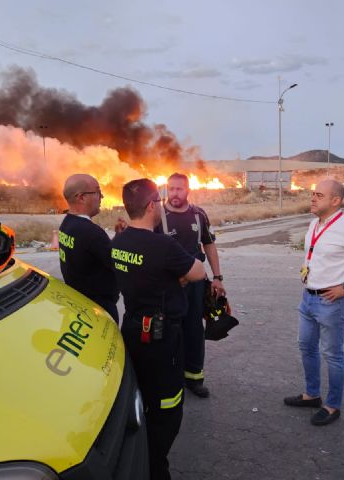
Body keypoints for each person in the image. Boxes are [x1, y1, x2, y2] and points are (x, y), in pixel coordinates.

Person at [112, 178, 205, 480]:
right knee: (167, 406)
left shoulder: (118, 242)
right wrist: (176, 275)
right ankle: (154, 464)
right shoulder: (163, 245)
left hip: (132, 330)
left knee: (141, 394)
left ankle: (138, 450)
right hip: (162, 338)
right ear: (152, 206)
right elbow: (198, 272)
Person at [284, 179, 344, 426]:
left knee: (332, 355)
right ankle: (311, 395)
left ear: (336, 200)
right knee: (306, 347)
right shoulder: (314, 224)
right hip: (308, 298)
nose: (312, 198)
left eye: (319, 195)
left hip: (331, 302)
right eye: (312, 193)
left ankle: (332, 406)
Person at [155, 172, 224, 398]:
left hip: (195, 285)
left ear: (188, 190)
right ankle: (171, 378)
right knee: (169, 331)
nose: (174, 193)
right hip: (169, 285)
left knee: (194, 329)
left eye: (179, 189)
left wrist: (217, 277)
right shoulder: (157, 215)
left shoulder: (198, 215)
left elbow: (209, 245)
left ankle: (194, 377)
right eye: (171, 189)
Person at [58, 174, 119, 322]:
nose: (102, 196)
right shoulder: (91, 233)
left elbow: (95, 254)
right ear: (81, 197)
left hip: (80, 307)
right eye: (97, 192)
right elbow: (118, 263)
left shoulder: (67, 224)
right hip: (99, 311)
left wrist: (118, 236)